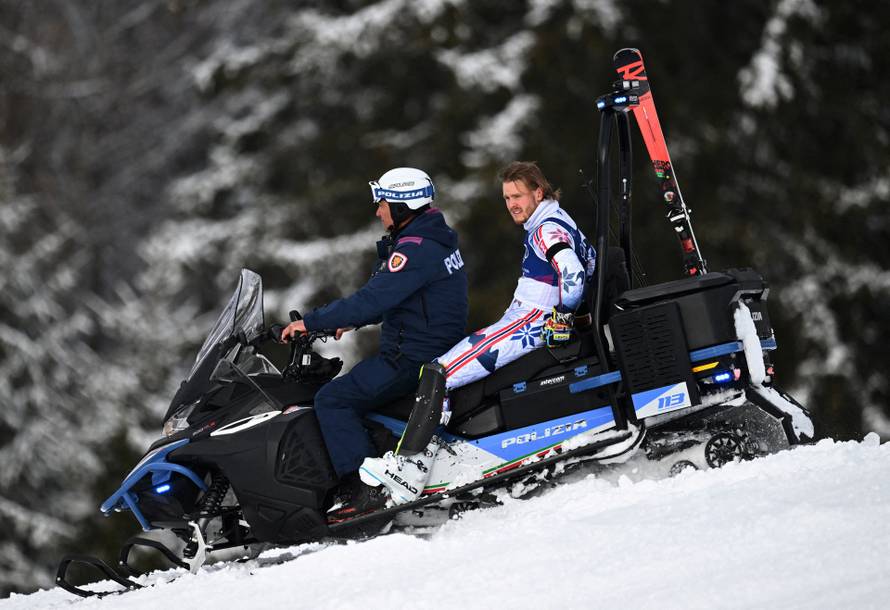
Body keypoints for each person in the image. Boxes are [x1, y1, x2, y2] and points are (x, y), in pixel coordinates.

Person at [359, 161, 595, 504]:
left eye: (518, 196)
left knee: (439, 372)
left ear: (538, 193)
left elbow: (573, 272)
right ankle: (441, 453)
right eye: (506, 197)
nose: (512, 204)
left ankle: (410, 468)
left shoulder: (547, 229)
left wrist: (563, 315)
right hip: (526, 317)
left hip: (530, 322)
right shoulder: (557, 218)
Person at [279, 167, 468, 518]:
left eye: (382, 203)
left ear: (401, 207)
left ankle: (364, 491)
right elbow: (403, 298)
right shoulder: (432, 239)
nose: (378, 211)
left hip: (413, 357)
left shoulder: (414, 249)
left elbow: (373, 299)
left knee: (333, 399)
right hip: (431, 348)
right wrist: (351, 321)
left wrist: (312, 321)